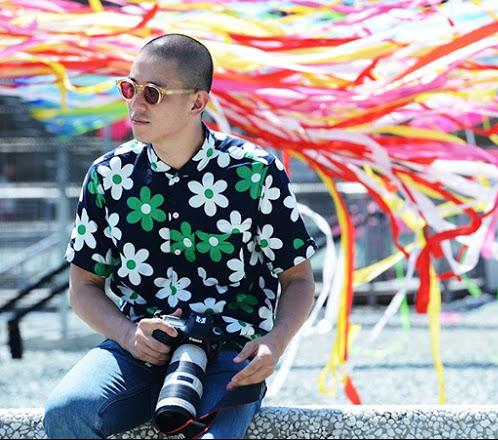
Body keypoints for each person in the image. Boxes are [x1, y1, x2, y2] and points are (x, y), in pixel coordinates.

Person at [43, 33, 317, 439]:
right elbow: (83, 286)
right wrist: (126, 334)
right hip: (137, 350)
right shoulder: (107, 175)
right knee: (66, 413)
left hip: (231, 352)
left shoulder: (256, 172)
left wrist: (274, 343)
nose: (135, 104)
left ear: (197, 102)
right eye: (129, 88)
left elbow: (297, 279)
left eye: (152, 93)